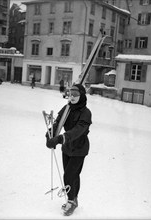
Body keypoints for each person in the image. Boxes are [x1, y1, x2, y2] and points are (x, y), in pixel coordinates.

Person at [45, 84, 92, 216]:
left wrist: (60, 139)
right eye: (70, 94)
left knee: (69, 175)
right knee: (71, 174)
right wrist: (50, 134)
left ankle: (71, 201)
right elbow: (58, 122)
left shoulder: (86, 113)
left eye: (75, 95)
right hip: (67, 148)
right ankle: (74, 198)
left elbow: (78, 131)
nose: (71, 97)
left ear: (81, 96)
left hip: (79, 148)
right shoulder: (66, 109)